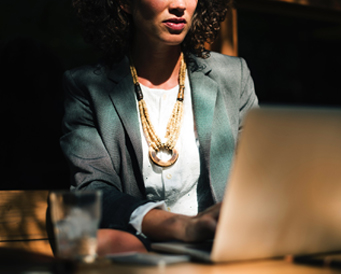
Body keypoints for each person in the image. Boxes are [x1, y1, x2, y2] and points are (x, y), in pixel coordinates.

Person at [61, 0, 258, 255]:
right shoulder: (86, 87)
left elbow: (257, 174)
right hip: (134, 251)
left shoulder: (233, 76)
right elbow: (92, 190)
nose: (179, 5)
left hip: (221, 249)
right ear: (125, 4)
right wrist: (181, 226)